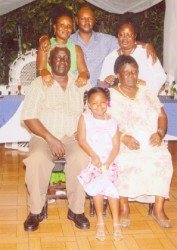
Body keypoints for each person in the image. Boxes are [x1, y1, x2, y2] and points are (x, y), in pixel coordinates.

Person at [21, 46, 92, 232]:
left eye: (66, 59)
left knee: (81, 158)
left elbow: (96, 108)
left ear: (71, 62)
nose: (62, 62)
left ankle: (76, 210)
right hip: (44, 136)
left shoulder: (81, 83)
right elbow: (29, 117)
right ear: (50, 61)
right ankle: (36, 211)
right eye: (58, 58)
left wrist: (84, 129)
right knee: (36, 159)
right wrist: (50, 139)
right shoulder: (39, 83)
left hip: (73, 137)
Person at [109, 55, 173, 228]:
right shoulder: (110, 95)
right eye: (126, 72)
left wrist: (160, 132)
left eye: (135, 72)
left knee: (163, 159)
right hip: (122, 141)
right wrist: (123, 137)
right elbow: (103, 122)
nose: (132, 76)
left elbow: (161, 115)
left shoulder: (147, 91)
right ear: (117, 75)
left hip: (150, 139)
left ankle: (158, 209)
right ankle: (124, 206)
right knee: (123, 161)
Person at [39, 6, 157, 87]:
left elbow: (125, 41)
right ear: (77, 21)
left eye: (90, 18)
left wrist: (146, 45)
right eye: (83, 18)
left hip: (99, 92)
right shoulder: (69, 41)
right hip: (74, 88)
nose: (87, 21)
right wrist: (43, 38)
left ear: (94, 21)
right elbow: (52, 42)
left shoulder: (106, 40)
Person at [77, 87, 122, 241]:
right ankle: (100, 222)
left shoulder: (113, 121)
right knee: (98, 185)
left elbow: (116, 145)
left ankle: (116, 222)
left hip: (109, 160)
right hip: (93, 159)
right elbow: (82, 140)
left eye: (103, 102)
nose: (99, 106)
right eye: (94, 103)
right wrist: (94, 156)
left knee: (110, 184)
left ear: (107, 103)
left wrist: (108, 162)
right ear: (88, 104)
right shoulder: (84, 118)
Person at [99, 20, 166, 96]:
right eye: (122, 35)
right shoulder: (110, 58)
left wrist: (146, 84)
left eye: (129, 35)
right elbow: (102, 87)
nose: (125, 38)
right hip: (119, 102)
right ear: (118, 36)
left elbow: (161, 76)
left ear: (135, 36)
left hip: (143, 98)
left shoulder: (146, 53)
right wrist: (106, 83)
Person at [36, 10, 90, 87]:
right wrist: (44, 72)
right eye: (62, 25)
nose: (66, 29)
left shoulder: (76, 49)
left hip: (70, 87)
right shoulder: (46, 45)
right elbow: (39, 70)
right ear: (55, 27)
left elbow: (85, 72)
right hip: (50, 85)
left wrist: (83, 75)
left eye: (69, 26)